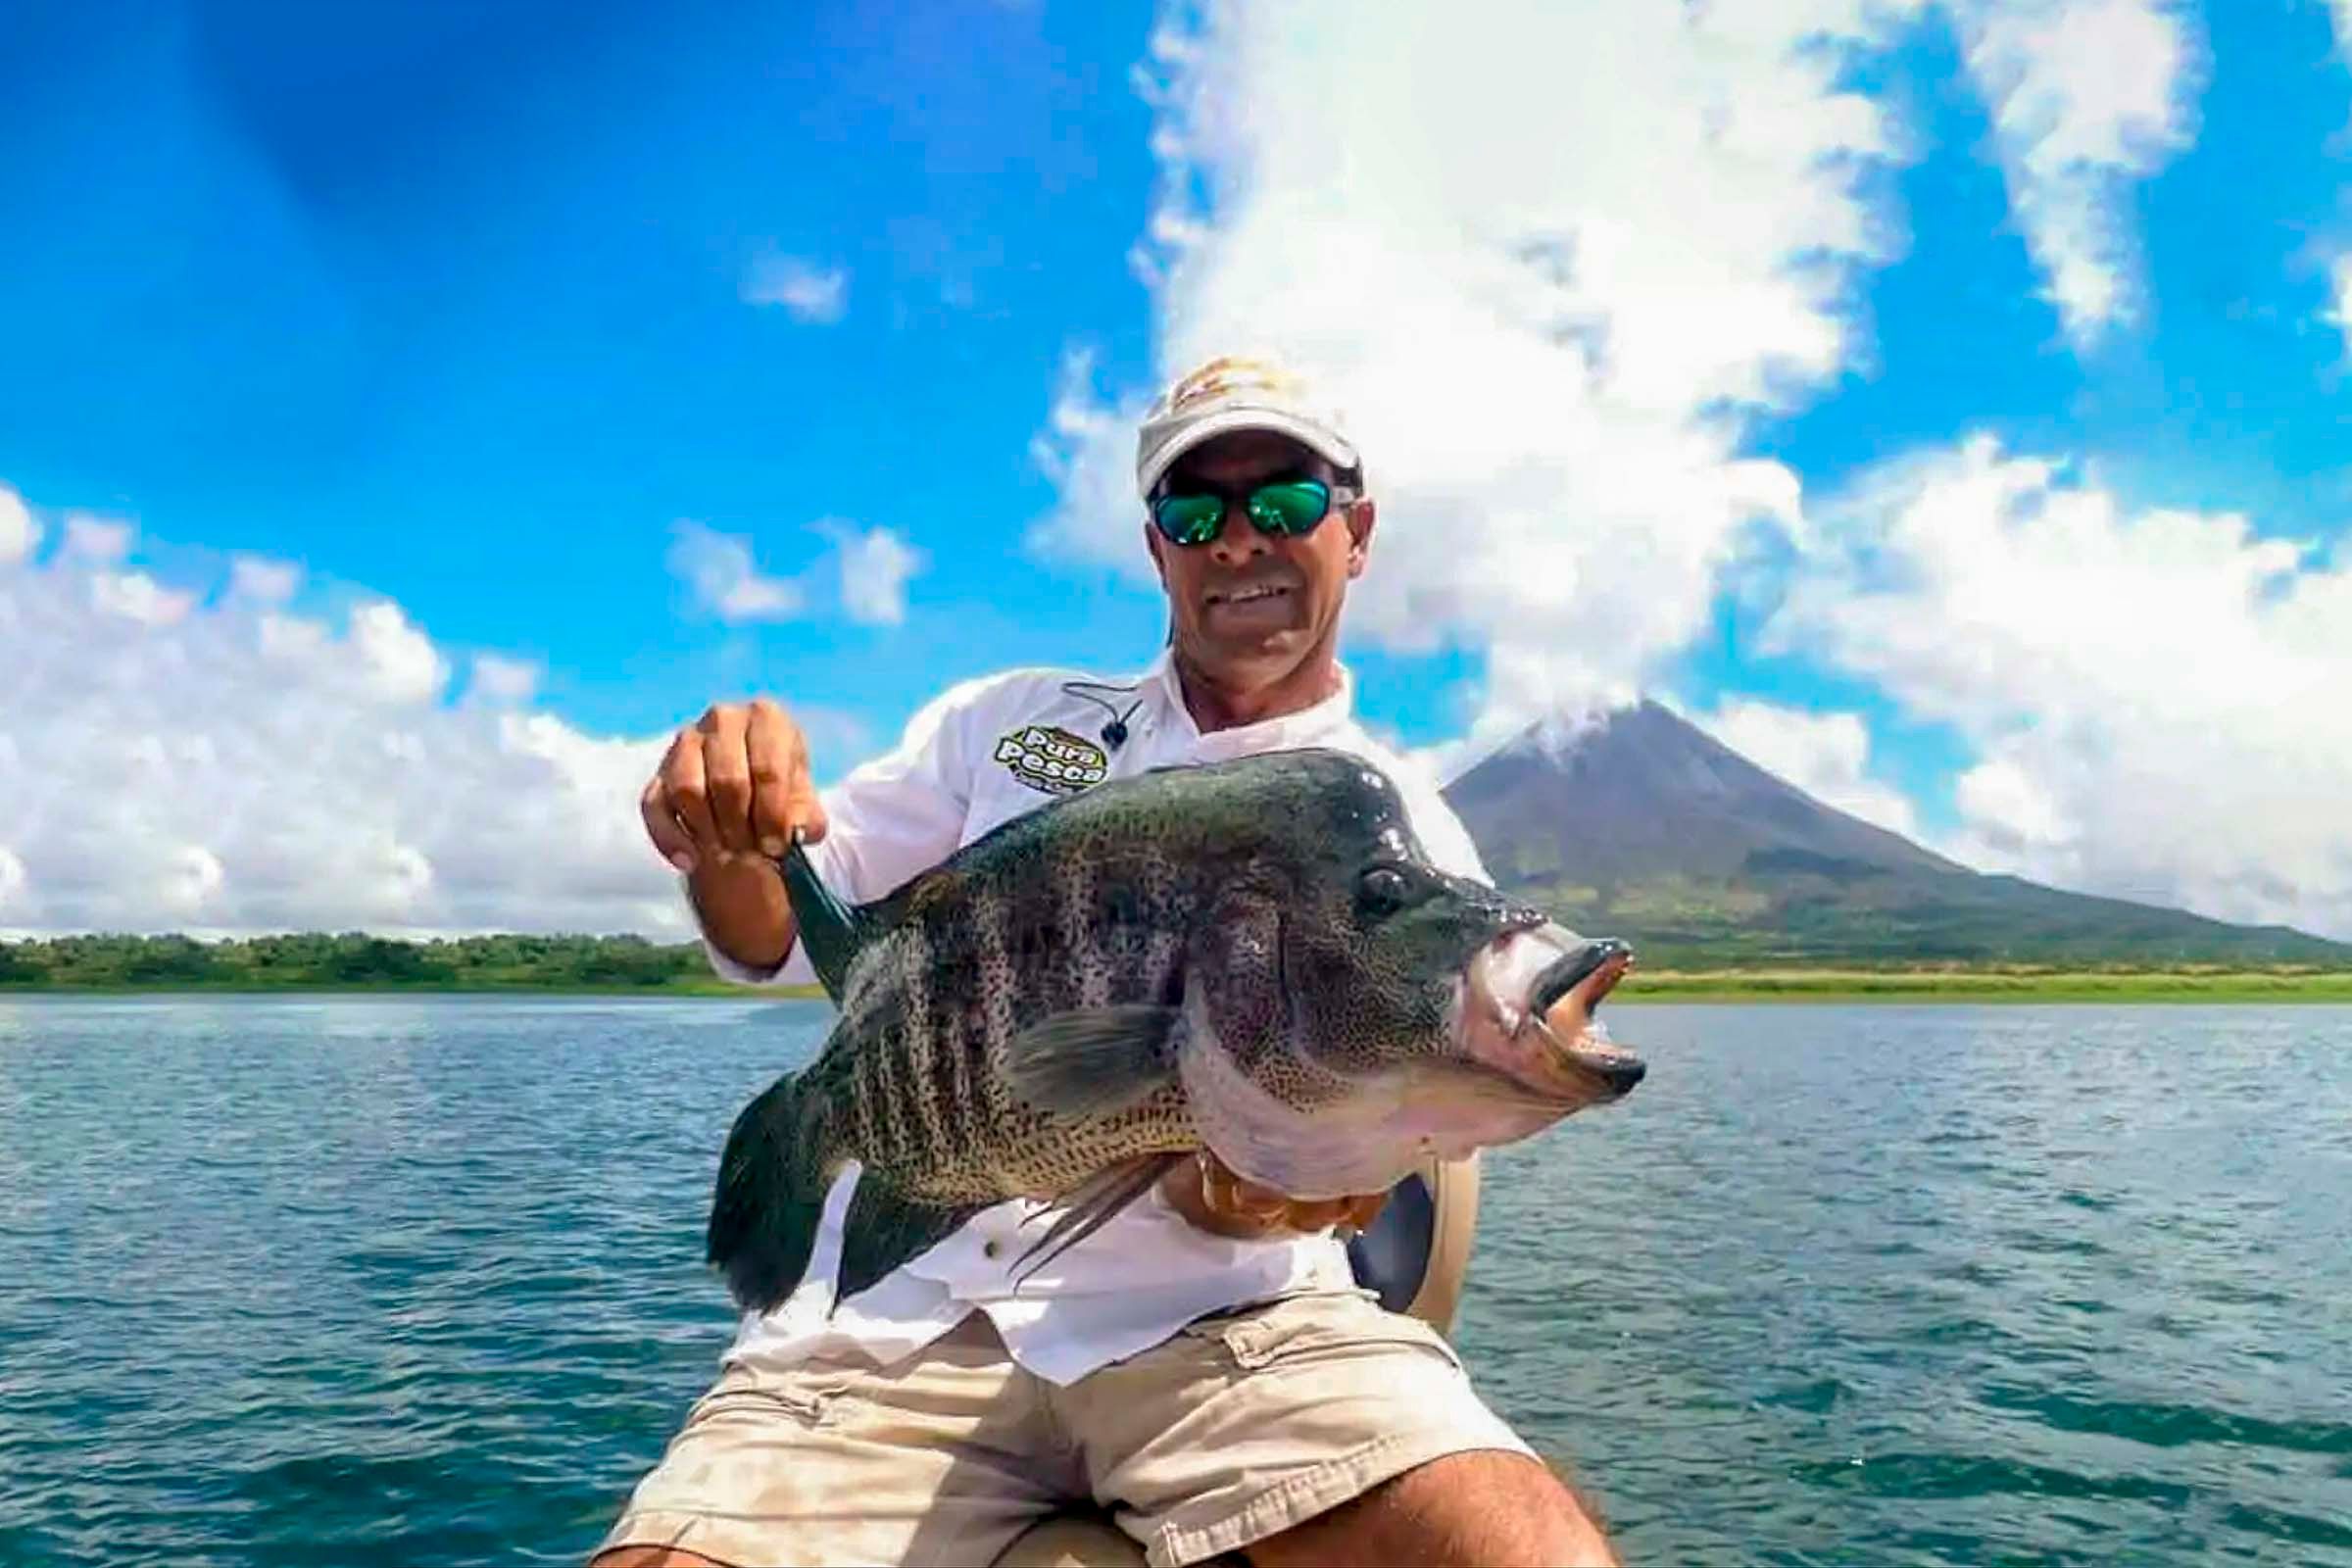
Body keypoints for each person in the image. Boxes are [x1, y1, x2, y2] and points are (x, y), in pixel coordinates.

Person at [599, 357, 1619, 1568]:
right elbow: (772, 933)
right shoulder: (1013, 722)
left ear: (1357, 530)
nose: (1238, 539)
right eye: (1197, 511)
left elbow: (1361, 1151)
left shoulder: (1405, 824)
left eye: (1284, 502)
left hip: (1229, 1331)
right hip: (886, 1334)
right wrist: (726, 822)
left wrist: (1268, 1185)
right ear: (1157, 548)